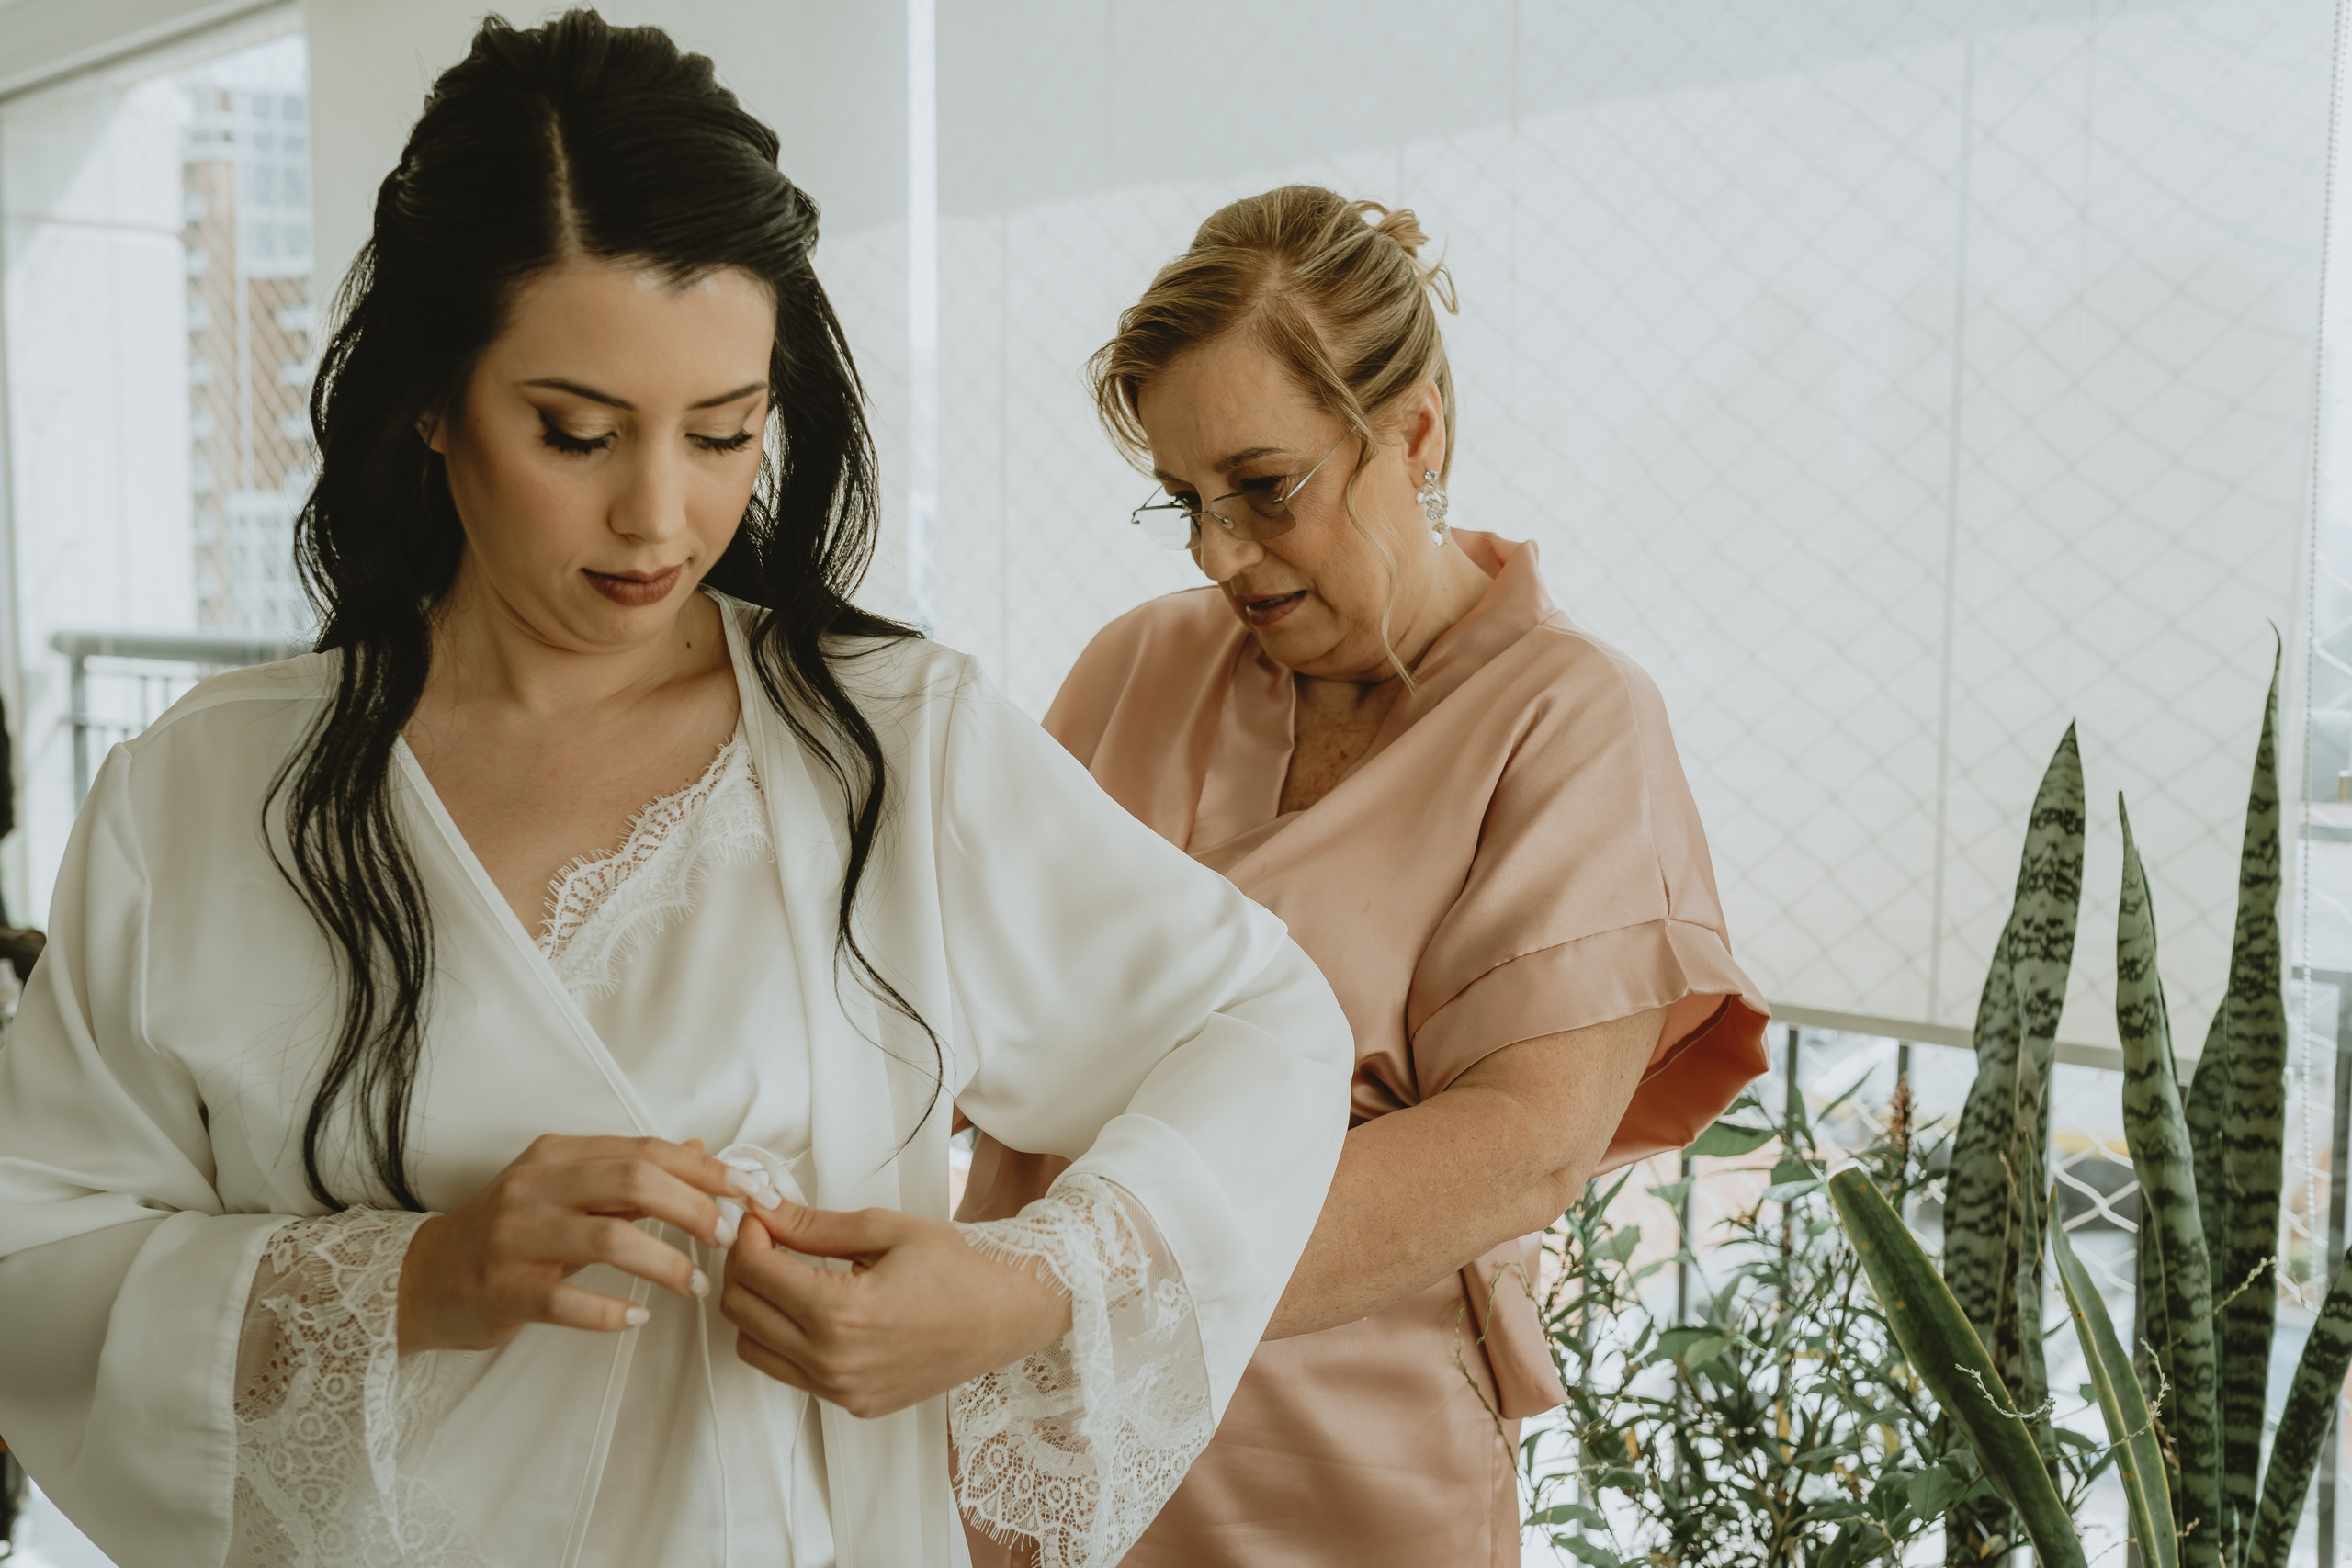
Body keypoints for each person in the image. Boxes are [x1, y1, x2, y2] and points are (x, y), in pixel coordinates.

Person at [0, 21, 1354, 1568]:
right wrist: (417, 1281)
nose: (662, 515)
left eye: (725, 432)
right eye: (575, 433)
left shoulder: (894, 748)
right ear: (433, 401)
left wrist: (1021, 1287)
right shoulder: (198, 799)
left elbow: (1263, 1025)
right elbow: (32, 1262)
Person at [958, 186, 1770, 1567]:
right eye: (1186, 503)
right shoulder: (1138, 665)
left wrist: (1059, 1288)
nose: (1223, 553)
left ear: (1416, 432)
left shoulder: (1570, 719)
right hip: (1042, 1439)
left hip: (1338, 1467)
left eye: (1267, 490)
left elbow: (1522, 1146)